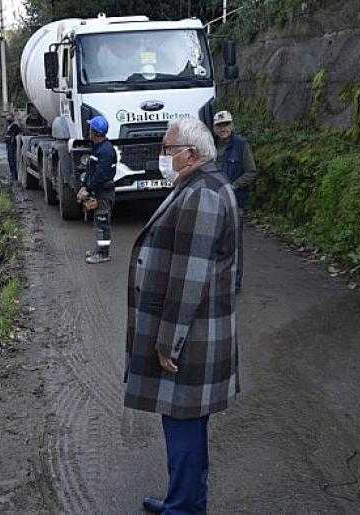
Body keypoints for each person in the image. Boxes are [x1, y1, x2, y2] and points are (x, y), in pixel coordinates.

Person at [124, 117, 240, 515]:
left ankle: (185, 508)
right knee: (183, 424)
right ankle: (183, 499)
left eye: (168, 148)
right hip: (196, 331)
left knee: (184, 424)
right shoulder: (198, 186)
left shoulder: (203, 194)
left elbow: (190, 276)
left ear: (190, 154)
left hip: (190, 337)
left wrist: (167, 339)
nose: (163, 155)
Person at [213, 110, 257, 293]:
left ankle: (235, 283)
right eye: (220, 125)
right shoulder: (210, 146)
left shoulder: (241, 144)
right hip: (214, 203)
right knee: (215, 242)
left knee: (235, 244)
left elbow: (251, 172)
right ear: (214, 128)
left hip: (235, 203)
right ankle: (218, 281)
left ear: (232, 126)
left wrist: (234, 186)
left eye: (226, 124)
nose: (224, 128)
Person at [77, 115, 117, 264]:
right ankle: (99, 250)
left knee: (102, 221)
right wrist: (84, 187)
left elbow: (101, 175)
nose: (89, 131)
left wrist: (87, 189)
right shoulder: (98, 148)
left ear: (95, 132)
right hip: (99, 191)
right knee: (99, 222)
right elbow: (91, 170)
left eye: (90, 129)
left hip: (104, 192)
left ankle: (103, 254)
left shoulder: (106, 151)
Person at [5, 114, 21, 182]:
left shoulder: (15, 125)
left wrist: (11, 141)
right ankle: (12, 174)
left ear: (12, 118)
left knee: (12, 160)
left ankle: (15, 175)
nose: (7, 118)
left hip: (12, 145)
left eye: (9, 117)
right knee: (10, 159)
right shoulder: (9, 125)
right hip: (9, 145)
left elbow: (14, 135)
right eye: (7, 117)